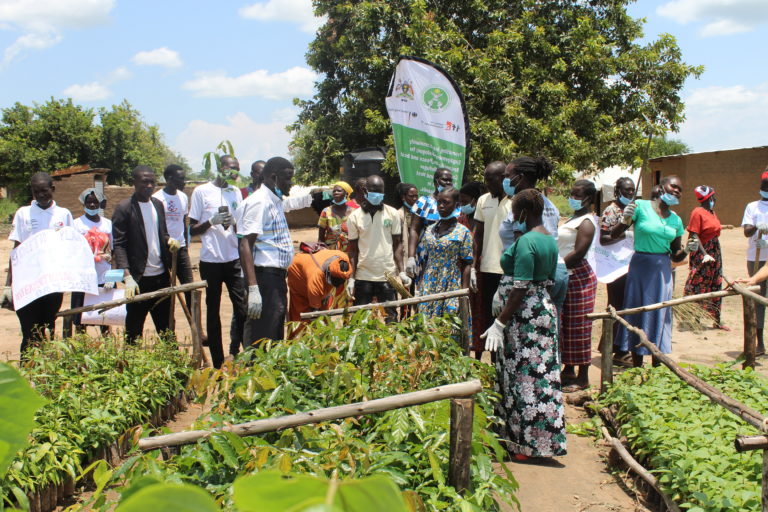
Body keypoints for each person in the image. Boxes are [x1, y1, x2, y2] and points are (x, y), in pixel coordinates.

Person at [481, 188, 566, 459]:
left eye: (515, 212)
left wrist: (500, 323)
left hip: (524, 318)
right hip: (541, 310)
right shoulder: (549, 239)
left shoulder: (529, 241)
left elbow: (520, 286)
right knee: (541, 377)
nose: (513, 217)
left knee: (523, 378)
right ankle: (537, 442)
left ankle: (523, 445)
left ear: (524, 213)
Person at [611, 176, 695, 367]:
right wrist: (625, 219)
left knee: (659, 312)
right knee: (637, 311)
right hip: (640, 267)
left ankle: (657, 363)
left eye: (680, 189)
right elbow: (614, 234)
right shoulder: (640, 206)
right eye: (674, 186)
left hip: (662, 270)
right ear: (662, 186)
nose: (676, 191)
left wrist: (688, 249)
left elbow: (676, 255)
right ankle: (637, 364)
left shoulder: (676, 220)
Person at [3, 172, 74, 353]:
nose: (41, 195)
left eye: (44, 191)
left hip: (52, 285)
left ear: (53, 189)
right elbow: (16, 249)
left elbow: (70, 247)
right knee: (29, 333)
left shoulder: (63, 214)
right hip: (27, 283)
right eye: (36, 192)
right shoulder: (23, 213)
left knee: (47, 330)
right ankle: (27, 375)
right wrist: (8, 285)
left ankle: (44, 377)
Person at [189, 155, 246, 367]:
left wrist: (234, 223)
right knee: (213, 311)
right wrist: (211, 222)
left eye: (237, 170)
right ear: (221, 168)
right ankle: (217, 361)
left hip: (233, 260)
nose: (234, 173)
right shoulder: (202, 192)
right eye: (232, 168)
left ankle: (236, 351)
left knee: (242, 309)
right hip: (211, 261)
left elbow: (242, 227)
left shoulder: (235, 192)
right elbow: (192, 230)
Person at [495, 157, 566, 326]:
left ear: (519, 177)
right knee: (548, 329)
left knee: (526, 333)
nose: (504, 180)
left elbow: (523, 250)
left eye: (507, 175)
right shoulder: (548, 205)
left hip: (530, 279)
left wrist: (504, 287)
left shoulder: (521, 208)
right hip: (554, 271)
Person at [112, 166, 179, 344]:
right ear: (134, 183)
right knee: (134, 330)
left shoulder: (157, 205)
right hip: (138, 280)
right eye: (144, 182)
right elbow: (119, 245)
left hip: (161, 277)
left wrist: (169, 241)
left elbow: (162, 233)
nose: (149, 185)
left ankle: (175, 368)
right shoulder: (124, 208)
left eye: (152, 182)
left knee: (167, 328)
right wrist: (127, 276)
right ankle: (131, 368)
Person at [237, 157, 297, 346]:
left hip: (275, 278)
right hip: (264, 279)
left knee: (274, 331)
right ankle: (257, 373)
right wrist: (254, 288)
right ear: (273, 177)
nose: (291, 183)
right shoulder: (260, 202)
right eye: (287, 178)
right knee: (263, 337)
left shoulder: (275, 200)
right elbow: (245, 243)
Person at [347, 175, 407, 323]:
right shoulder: (354, 217)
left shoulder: (392, 213)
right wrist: (352, 278)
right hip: (363, 275)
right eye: (373, 191)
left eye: (380, 192)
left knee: (391, 317)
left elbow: (397, 245)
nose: (377, 195)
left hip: (387, 275)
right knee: (361, 319)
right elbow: (353, 250)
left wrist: (402, 271)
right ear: (365, 191)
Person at [558, 180, 599, 391]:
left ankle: (583, 376)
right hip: (566, 274)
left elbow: (579, 252)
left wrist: (557, 266)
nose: (572, 198)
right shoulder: (573, 218)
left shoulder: (586, 222)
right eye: (571, 194)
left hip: (578, 276)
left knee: (579, 326)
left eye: (576, 195)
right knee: (566, 324)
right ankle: (568, 368)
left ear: (589, 199)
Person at [416, 186, 473, 320]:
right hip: (429, 282)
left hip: (451, 282)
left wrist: (463, 293)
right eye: (439, 202)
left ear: (456, 205)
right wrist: (420, 285)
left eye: (446, 203)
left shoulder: (462, 232)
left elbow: (466, 263)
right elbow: (427, 258)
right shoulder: (429, 230)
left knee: (449, 322)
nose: (441, 206)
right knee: (426, 324)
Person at [472, 162, 508, 358]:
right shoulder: (483, 200)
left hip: (508, 270)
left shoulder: (517, 201)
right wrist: (473, 266)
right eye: (485, 179)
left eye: (491, 179)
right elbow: (478, 235)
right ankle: (494, 364)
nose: (487, 183)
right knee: (489, 319)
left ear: (504, 177)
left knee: (506, 318)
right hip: (487, 269)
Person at [599, 177, 635, 366]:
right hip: (614, 266)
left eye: (632, 190)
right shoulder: (611, 211)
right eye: (626, 190)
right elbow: (604, 238)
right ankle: (616, 349)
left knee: (626, 305)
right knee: (617, 305)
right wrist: (625, 233)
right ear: (617, 191)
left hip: (629, 264)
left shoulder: (632, 210)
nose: (630, 193)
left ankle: (618, 347)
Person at [684, 185, 727, 330]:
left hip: (715, 250)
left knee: (715, 281)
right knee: (699, 283)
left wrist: (712, 253)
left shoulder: (712, 212)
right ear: (709, 197)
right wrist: (704, 254)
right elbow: (694, 235)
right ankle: (695, 319)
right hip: (703, 252)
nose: (715, 199)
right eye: (713, 196)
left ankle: (716, 319)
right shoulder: (698, 212)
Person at [71, 188, 114, 334]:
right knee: (80, 318)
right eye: (89, 202)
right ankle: (81, 350)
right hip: (83, 279)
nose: (92, 205)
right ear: (83, 203)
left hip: (104, 276)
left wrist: (113, 277)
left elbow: (115, 252)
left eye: (95, 202)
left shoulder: (108, 224)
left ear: (101, 204)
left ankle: (106, 351)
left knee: (105, 318)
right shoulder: (76, 224)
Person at [153, 164, 193, 306]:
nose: (184, 182)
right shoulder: (156, 198)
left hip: (180, 248)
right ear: (170, 178)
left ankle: (195, 324)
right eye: (181, 179)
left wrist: (186, 246)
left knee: (190, 288)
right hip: (163, 250)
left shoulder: (183, 197)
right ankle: (169, 326)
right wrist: (166, 240)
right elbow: (155, 226)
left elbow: (183, 221)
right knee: (165, 290)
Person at [406, 168, 457, 278]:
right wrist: (411, 257)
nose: (448, 183)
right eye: (445, 180)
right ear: (435, 181)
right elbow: (414, 229)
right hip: (426, 254)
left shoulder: (456, 204)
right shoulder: (423, 202)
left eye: (450, 180)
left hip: (449, 254)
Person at [741, 169, 768, 355]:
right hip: (757, 259)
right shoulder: (753, 207)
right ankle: (759, 343)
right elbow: (747, 231)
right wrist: (757, 227)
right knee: (758, 300)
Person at [456, 180, 484, 355]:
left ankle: (479, 352)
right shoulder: (461, 219)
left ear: (474, 200)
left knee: (480, 310)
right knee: (464, 308)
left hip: (481, 269)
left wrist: (475, 267)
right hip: (463, 270)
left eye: (465, 201)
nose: (462, 205)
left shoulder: (483, 219)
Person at [287, 249, 352, 322]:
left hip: (313, 271)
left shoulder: (344, 260)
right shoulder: (316, 278)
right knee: (301, 313)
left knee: (325, 312)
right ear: (328, 273)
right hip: (298, 274)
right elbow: (315, 313)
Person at [317, 181, 356, 251]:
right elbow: (321, 237)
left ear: (346, 194)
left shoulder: (355, 211)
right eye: (334, 191)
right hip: (331, 252)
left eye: (339, 191)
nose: (335, 192)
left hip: (351, 251)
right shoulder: (326, 211)